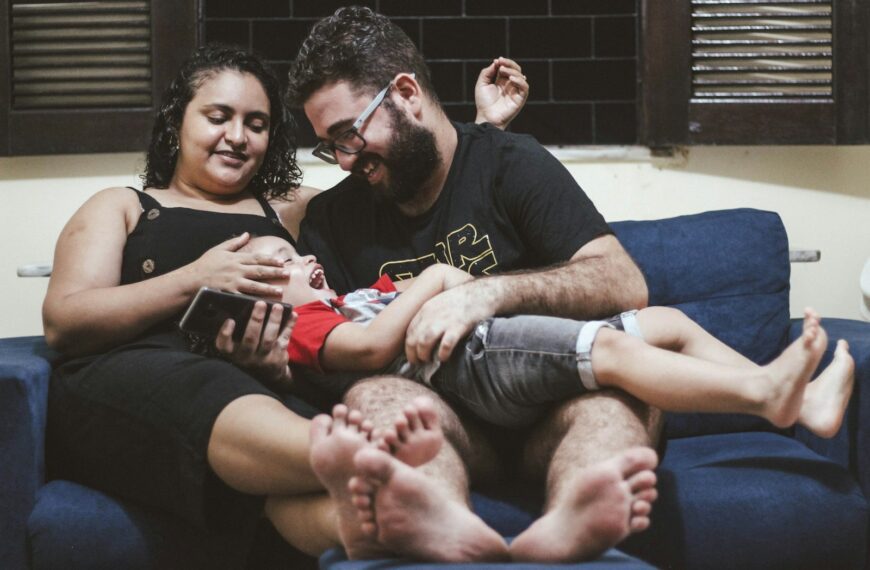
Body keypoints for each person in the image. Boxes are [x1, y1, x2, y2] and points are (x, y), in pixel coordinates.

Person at [41, 43, 529, 562]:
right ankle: (371, 458)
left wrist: (482, 130)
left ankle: (393, 524)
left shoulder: (292, 211)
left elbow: (412, 186)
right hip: (135, 376)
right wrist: (196, 278)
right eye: (217, 116)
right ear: (176, 122)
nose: (236, 136)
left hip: (262, 394)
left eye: (256, 123)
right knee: (209, 386)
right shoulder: (124, 205)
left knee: (276, 491)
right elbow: (64, 321)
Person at [285, 6, 659, 563]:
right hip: (444, 420)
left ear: (406, 93)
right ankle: (442, 547)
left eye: (349, 135)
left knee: (616, 400)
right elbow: (337, 349)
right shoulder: (333, 220)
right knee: (374, 397)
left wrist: (486, 292)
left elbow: (622, 280)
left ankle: (575, 545)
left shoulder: (510, 163)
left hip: (554, 407)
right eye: (330, 145)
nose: (343, 161)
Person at [244, 234, 854, 438]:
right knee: (612, 353)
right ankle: (768, 398)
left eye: (296, 250)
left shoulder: (354, 297)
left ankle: (800, 405)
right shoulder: (303, 326)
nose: (304, 258)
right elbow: (373, 349)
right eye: (283, 264)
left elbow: (446, 291)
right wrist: (435, 278)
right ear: (264, 298)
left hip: (493, 336)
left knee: (666, 322)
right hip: (471, 365)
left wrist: (439, 289)